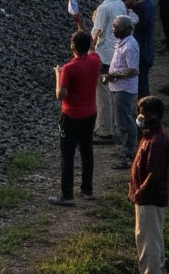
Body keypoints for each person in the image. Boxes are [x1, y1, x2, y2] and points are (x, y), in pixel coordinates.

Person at [49, 29, 101, 206]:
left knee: (67, 155)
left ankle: (67, 194)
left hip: (71, 116)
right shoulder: (95, 60)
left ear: (72, 47)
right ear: (88, 46)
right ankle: (87, 189)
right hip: (90, 113)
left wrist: (58, 74)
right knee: (87, 151)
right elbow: (93, 49)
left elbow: (60, 95)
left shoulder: (69, 68)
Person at [129, 95, 169, 274]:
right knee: (149, 238)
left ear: (154, 116)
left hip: (150, 199)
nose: (140, 117)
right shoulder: (151, 135)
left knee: (148, 242)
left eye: (143, 114)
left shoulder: (156, 141)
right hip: (147, 197)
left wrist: (140, 192)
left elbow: (154, 174)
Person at [90, 0, 126, 143]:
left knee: (102, 94)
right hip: (116, 53)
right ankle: (114, 126)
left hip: (103, 55)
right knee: (112, 92)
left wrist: (88, 51)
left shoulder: (103, 8)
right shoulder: (121, 4)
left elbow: (96, 33)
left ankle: (104, 130)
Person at [105, 15, 140, 169]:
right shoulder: (122, 42)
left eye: (115, 27)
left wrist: (113, 75)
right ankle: (127, 151)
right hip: (117, 87)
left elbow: (133, 70)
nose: (113, 29)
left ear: (124, 29)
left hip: (124, 89)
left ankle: (129, 154)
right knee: (120, 121)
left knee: (124, 122)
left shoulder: (130, 46)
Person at [124, 0, 156, 99]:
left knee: (141, 82)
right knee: (143, 80)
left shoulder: (137, 10)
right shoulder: (149, 3)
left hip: (141, 50)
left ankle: (143, 106)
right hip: (148, 47)